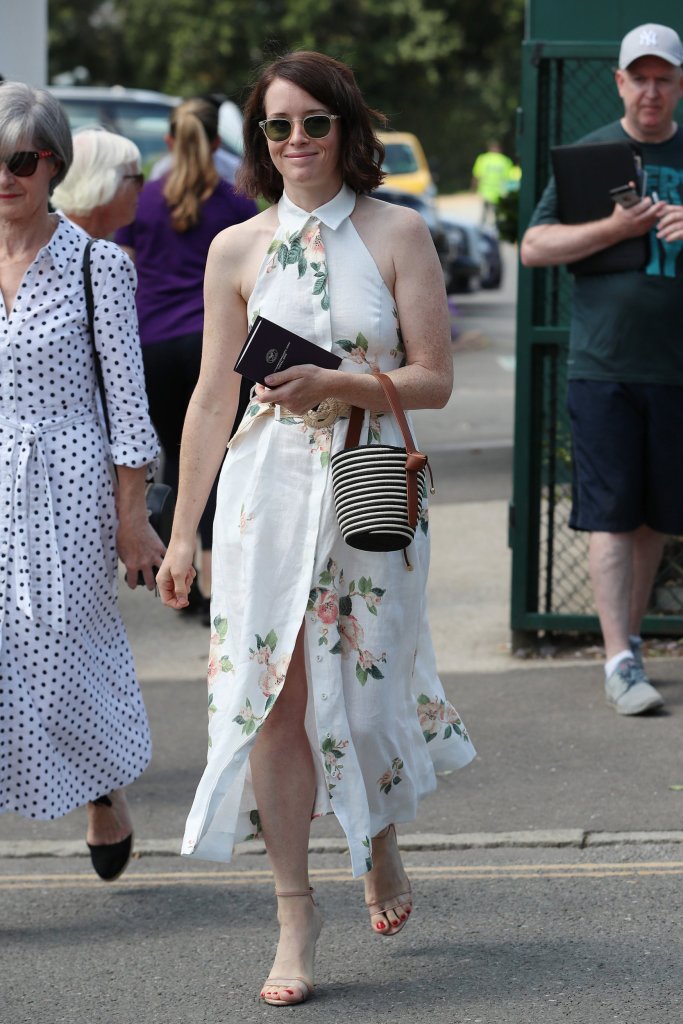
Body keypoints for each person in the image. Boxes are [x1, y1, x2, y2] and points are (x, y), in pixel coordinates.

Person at [156, 51, 475, 1005]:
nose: (295, 141)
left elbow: (436, 378)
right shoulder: (236, 247)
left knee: (369, 699)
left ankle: (375, 835)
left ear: (346, 127)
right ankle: (295, 912)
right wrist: (181, 535)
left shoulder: (397, 232)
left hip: (369, 484)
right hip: (264, 491)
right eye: (275, 126)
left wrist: (337, 381)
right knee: (272, 697)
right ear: (258, 140)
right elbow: (214, 395)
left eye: (313, 123)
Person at [0, 83, 163, 879]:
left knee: (62, 654)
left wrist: (133, 520)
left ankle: (103, 789)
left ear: (54, 165)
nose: (5, 175)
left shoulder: (98, 264)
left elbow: (128, 405)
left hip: (68, 485)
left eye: (21, 160)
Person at [521, 23, 683, 715]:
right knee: (613, 518)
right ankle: (616, 658)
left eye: (662, 78)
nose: (649, 90)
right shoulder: (591, 157)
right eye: (637, 77)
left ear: (678, 84)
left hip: (674, 369)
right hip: (603, 364)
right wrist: (612, 231)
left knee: (654, 520)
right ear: (619, 82)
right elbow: (533, 246)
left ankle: (632, 643)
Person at [115, 99, 257, 619]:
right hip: (210, 346)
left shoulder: (145, 200)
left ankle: (182, 582)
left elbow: (124, 268)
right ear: (217, 143)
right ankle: (218, 589)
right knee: (217, 461)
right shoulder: (235, 203)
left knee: (178, 459)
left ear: (170, 142)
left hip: (152, 346)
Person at [52, 126, 144, 238]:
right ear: (104, 185)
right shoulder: (58, 247)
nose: (141, 189)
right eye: (137, 179)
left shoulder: (63, 239)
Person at [471, 140, 513, 225]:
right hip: (499, 192)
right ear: (499, 149)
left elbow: (476, 175)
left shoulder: (483, 159)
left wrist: (473, 188)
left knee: (484, 214)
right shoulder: (505, 160)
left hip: (486, 191)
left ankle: (482, 229)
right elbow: (509, 179)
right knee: (497, 216)